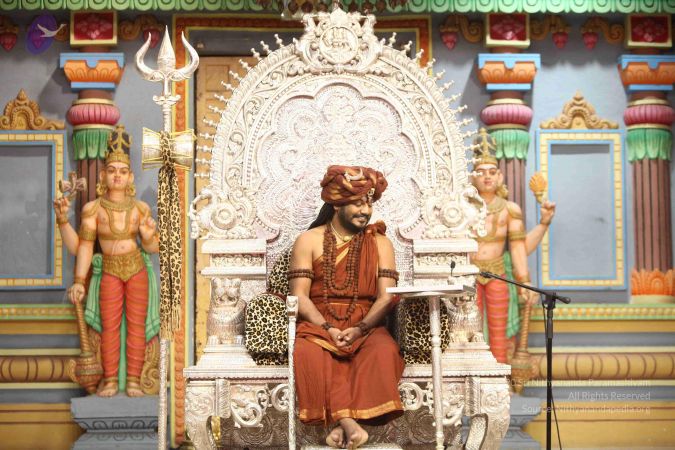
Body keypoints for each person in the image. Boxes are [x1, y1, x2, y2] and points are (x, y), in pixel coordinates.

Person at [290, 165, 404, 449]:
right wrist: (328, 328)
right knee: (310, 352)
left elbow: (386, 297)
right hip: (317, 323)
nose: (365, 211)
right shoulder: (308, 240)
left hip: (367, 324)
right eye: (357, 203)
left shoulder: (381, 243)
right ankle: (350, 426)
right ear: (336, 204)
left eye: (369, 203)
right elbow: (299, 296)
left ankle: (342, 427)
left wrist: (360, 328)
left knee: (384, 351)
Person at [54, 125, 160, 397]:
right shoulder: (94, 209)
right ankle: (111, 379)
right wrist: (79, 280)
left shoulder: (140, 209)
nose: (117, 176)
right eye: (112, 170)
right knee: (109, 326)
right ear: (103, 175)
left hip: (136, 268)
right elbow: (83, 247)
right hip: (110, 271)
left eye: (123, 171)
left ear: (130, 176)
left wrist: (150, 236)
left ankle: (133, 380)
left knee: (136, 326)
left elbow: (152, 247)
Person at [470, 129, 555, 363]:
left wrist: (524, 280)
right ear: (472, 178)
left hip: (498, 273)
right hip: (469, 276)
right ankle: (472, 375)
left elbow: (518, 248)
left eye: (492, 172)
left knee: (499, 330)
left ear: (499, 177)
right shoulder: (462, 209)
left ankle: (500, 376)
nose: (487, 177)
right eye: (480, 172)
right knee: (467, 331)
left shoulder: (510, 209)